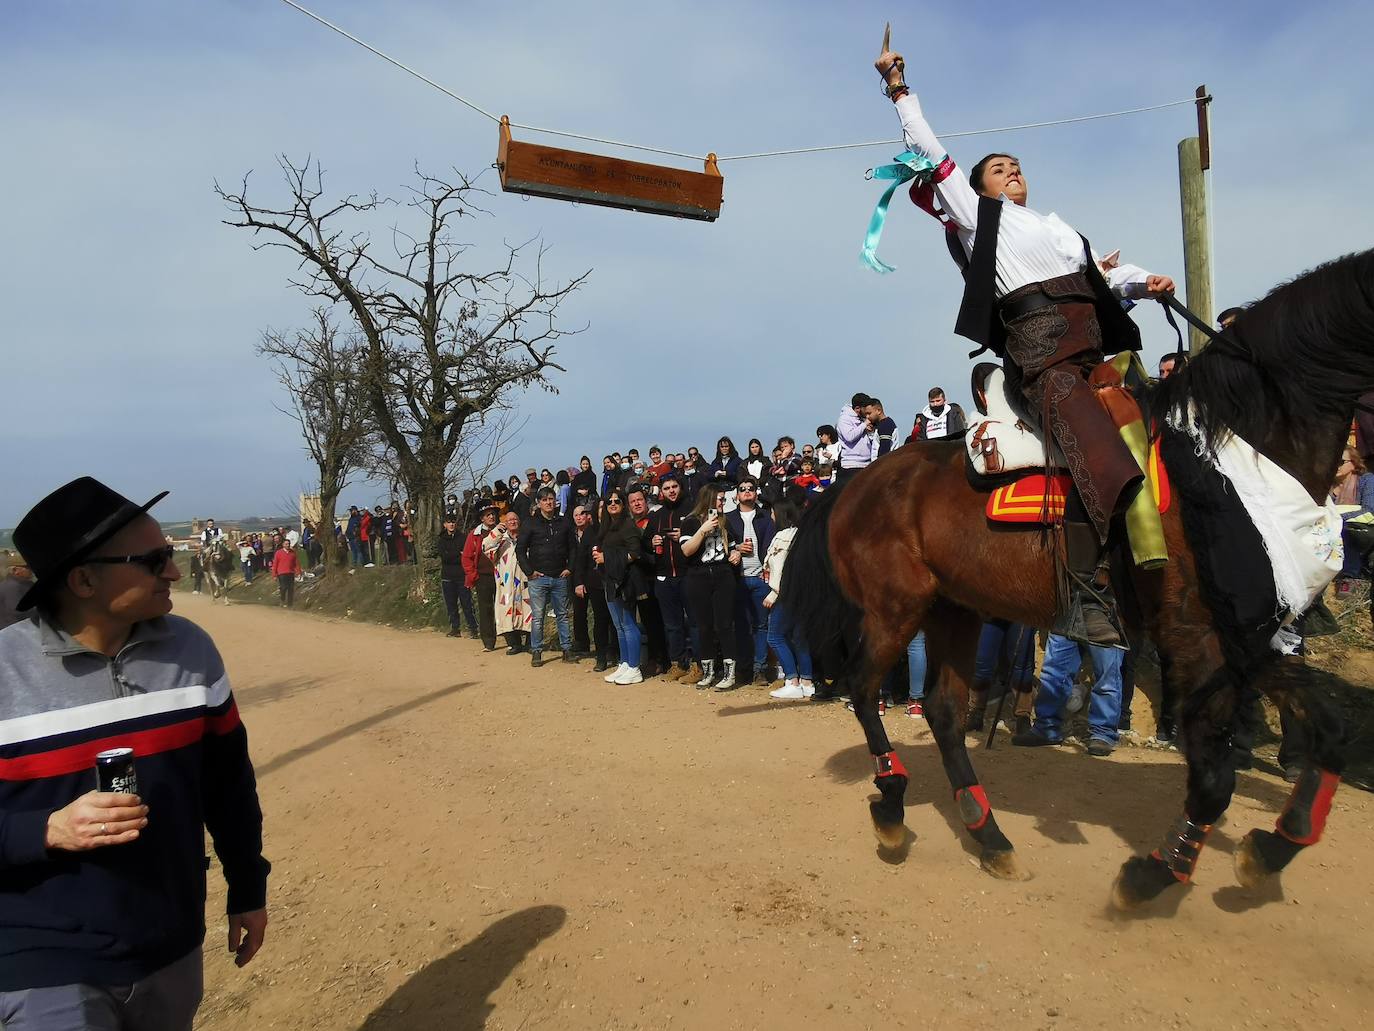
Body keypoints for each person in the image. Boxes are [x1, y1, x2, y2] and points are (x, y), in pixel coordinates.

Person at [875, 43, 1176, 648]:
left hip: (1098, 357)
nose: (1011, 170)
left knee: (1169, 432)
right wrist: (899, 90)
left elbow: (1101, 276)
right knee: (1100, 451)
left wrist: (1144, 282)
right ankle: (1084, 592)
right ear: (977, 189)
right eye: (997, 169)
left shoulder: (1058, 228)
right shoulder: (980, 219)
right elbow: (934, 155)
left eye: (1016, 165)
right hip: (1043, 364)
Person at [0, 477, 268, 1029]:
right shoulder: (4, 672)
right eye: (153, 560)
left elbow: (228, 784)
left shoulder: (191, 650)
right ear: (82, 579)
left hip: (169, 943)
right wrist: (45, 831)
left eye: (169, 556)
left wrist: (247, 886)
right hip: (43, 958)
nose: (173, 571)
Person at [1013, 634, 1124, 755]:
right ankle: (1047, 727)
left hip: (1106, 619)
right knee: (1054, 673)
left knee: (1106, 677)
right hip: (1066, 618)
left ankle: (1103, 733)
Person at [679, 484, 738, 690]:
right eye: (720, 499)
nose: (722, 503)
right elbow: (686, 550)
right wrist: (702, 531)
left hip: (723, 575)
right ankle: (708, 672)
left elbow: (733, 546)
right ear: (709, 500)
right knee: (704, 626)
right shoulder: (690, 522)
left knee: (724, 625)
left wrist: (737, 553)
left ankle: (730, 674)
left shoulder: (725, 522)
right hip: (698, 577)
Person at [516, 488, 578, 667]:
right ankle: (536, 651)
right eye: (544, 500)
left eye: (551, 499)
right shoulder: (530, 523)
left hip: (560, 576)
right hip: (538, 578)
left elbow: (573, 548)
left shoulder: (564, 522)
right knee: (538, 617)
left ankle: (566, 649)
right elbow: (520, 549)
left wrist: (570, 568)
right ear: (539, 503)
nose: (548, 502)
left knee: (563, 615)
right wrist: (529, 571)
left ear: (555, 501)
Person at [646, 474, 698, 683]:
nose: (671, 491)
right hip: (664, 577)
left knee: (694, 623)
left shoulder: (692, 511)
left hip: (689, 574)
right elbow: (644, 545)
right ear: (661, 491)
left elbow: (703, 539)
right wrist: (652, 540)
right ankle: (678, 664)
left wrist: (684, 535)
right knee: (672, 625)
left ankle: (698, 665)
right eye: (666, 488)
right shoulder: (656, 516)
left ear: (680, 487)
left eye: (674, 486)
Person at [594, 489, 650, 685]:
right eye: (609, 501)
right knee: (618, 626)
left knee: (628, 624)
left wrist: (606, 558)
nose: (613, 503)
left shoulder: (628, 525)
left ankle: (635, 667)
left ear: (623, 504)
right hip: (610, 580)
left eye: (617, 500)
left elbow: (635, 553)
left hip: (625, 581)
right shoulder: (607, 526)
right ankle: (625, 663)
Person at [725, 477, 775, 684]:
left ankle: (759, 669)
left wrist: (768, 570)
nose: (746, 491)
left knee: (761, 626)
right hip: (736, 579)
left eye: (750, 489)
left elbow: (773, 548)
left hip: (760, 578)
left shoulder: (765, 518)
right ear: (736, 496)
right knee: (741, 626)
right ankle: (744, 668)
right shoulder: (727, 518)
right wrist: (736, 549)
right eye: (742, 489)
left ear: (756, 494)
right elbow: (720, 546)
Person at [764, 499, 814, 699]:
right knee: (799, 638)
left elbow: (781, 568)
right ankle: (807, 682)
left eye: (773, 512)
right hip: (803, 594)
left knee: (774, 636)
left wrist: (774, 593)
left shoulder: (783, 537)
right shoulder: (803, 535)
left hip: (785, 595)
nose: (771, 517)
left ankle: (792, 680)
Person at [570, 503, 616, 672]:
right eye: (601, 507)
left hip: (616, 581)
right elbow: (580, 559)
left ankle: (616, 652)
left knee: (617, 620)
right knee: (601, 620)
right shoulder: (591, 531)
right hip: (595, 583)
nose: (604, 510)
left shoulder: (617, 527)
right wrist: (579, 582)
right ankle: (601, 656)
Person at [484, 510, 532, 655]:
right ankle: (514, 644)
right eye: (509, 520)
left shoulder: (527, 537)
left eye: (515, 519)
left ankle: (530, 644)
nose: (512, 522)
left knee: (529, 611)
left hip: (525, 582)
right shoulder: (501, 540)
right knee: (506, 612)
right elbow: (486, 547)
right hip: (506, 584)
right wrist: (498, 531)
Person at [1331, 446, 1374, 586]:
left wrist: (1339, 517)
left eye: (1341, 461)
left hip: (1363, 528)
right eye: (1333, 460)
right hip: (1332, 527)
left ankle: (1350, 575)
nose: (1336, 465)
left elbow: (1370, 509)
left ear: (1354, 463)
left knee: (1349, 530)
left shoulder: (1366, 480)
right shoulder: (1328, 485)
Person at [462, 504, 501, 651]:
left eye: (493, 514)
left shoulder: (502, 531)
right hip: (483, 577)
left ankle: (511, 639)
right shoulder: (474, 535)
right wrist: (473, 575)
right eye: (487, 515)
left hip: (501, 576)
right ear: (482, 518)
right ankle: (488, 641)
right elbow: (467, 558)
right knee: (486, 609)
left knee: (503, 606)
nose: (491, 517)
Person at [437, 512, 479, 639]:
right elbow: (444, 557)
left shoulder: (463, 537)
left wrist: (454, 554)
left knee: (467, 603)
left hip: (462, 575)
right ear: (444, 524)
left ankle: (473, 629)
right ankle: (455, 628)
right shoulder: (441, 539)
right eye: (449, 522)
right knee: (451, 604)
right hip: (447, 576)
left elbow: (466, 555)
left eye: (453, 522)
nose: (451, 524)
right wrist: (457, 553)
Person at [836, 393, 876, 485]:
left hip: (867, 465)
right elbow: (849, 437)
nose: (867, 412)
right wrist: (864, 425)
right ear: (858, 408)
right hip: (851, 466)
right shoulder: (844, 419)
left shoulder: (863, 419)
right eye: (865, 409)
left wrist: (870, 431)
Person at [0, 559, 34, 629]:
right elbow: (16, 610)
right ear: (16, 570)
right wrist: (41, 610)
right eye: (27, 568)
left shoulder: (20, 584)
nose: (31, 570)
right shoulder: (12, 586)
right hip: (16, 629)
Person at [270, 534, 300, 608]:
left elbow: (296, 563)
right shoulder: (278, 553)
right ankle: (282, 600)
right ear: (283, 545)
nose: (288, 545)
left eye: (288, 544)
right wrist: (274, 575)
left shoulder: (292, 553)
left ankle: (290, 603)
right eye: (286, 544)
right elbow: (275, 564)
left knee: (291, 588)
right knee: (283, 587)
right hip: (281, 573)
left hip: (290, 572)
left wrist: (298, 572)